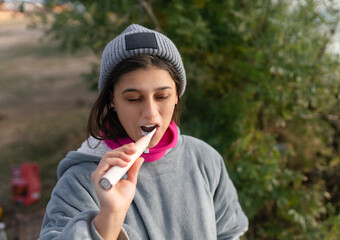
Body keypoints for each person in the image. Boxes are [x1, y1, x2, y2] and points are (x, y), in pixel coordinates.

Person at [39, 23, 248, 240]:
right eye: (133, 99)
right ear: (112, 100)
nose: (150, 113)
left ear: (177, 95)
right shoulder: (81, 181)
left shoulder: (204, 159)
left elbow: (229, 234)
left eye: (162, 96)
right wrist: (107, 221)